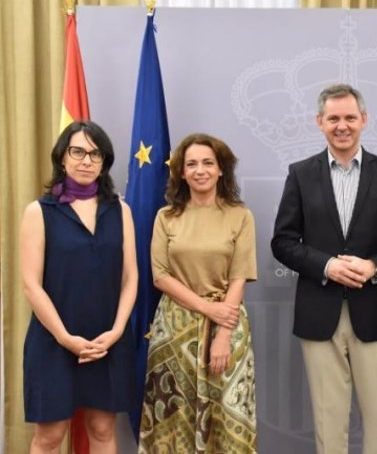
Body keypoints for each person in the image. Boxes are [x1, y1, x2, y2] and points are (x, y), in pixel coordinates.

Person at [271, 83, 377, 454]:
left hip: (376, 313)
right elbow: (283, 242)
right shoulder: (300, 174)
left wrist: (373, 266)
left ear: (364, 120)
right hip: (319, 315)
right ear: (319, 122)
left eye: (350, 118)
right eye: (333, 118)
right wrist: (326, 266)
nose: (342, 126)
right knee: (328, 421)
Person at [20, 120, 138, 454]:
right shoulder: (39, 212)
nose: (86, 160)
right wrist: (64, 338)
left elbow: (131, 278)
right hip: (54, 340)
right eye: (78, 152)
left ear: (104, 163)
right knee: (50, 436)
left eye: (95, 154)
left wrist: (116, 332)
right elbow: (31, 285)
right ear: (62, 158)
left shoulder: (121, 210)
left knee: (102, 430)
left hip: (106, 340)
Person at [138, 134, 258, 453]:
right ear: (181, 172)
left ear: (221, 170)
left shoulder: (240, 216)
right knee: (171, 417)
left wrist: (222, 335)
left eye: (208, 163)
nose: (200, 170)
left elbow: (239, 275)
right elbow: (161, 276)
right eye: (191, 164)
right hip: (173, 329)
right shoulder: (166, 217)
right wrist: (206, 308)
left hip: (228, 324)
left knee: (228, 413)